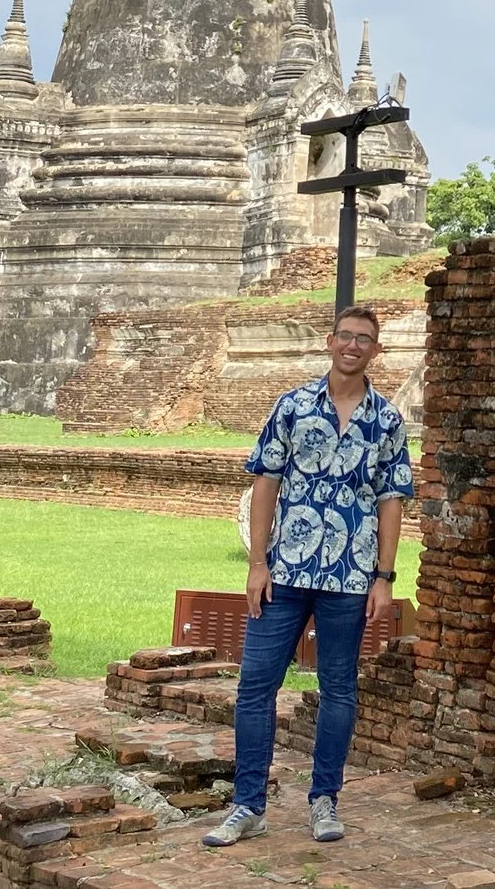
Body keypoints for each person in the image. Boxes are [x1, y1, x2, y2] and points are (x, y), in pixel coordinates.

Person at [201, 304, 412, 848]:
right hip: (285, 573)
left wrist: (384, 577)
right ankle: (248, 804)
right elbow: (265, 482)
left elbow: (392, 502)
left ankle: (324, 799)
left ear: (375, 350)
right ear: (329, 341)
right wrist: (256, 562)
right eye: (346, 336)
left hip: (350, 575)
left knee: (338, 688)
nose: (353, 346)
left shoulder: (385, 420)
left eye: (365, 339)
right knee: (255, 688)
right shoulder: (293, 408)